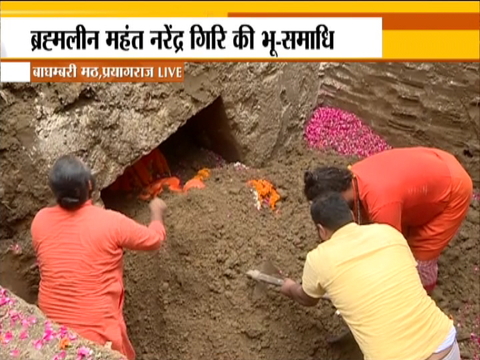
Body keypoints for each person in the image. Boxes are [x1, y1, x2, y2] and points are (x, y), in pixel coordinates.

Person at [280, 192, 459, 360]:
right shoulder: (388, 233)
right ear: (351, 214)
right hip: (445, 344)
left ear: (321, 229)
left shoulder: (318, 259)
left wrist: (289, 288)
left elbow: (308, 298)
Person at [31, 155, 168, 360]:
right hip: (97, 336)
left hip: (52, 330)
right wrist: (156, 213)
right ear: (89, 184)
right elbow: (154, 240)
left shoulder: (40, 221)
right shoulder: (111, 223)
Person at [303, 147, 473, 294]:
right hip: (434, 165)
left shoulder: (382, 203)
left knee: (420, 259)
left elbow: (391, 253)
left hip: (453, 188)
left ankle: (420, 294)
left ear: (338, 196)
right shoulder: (353, 176)